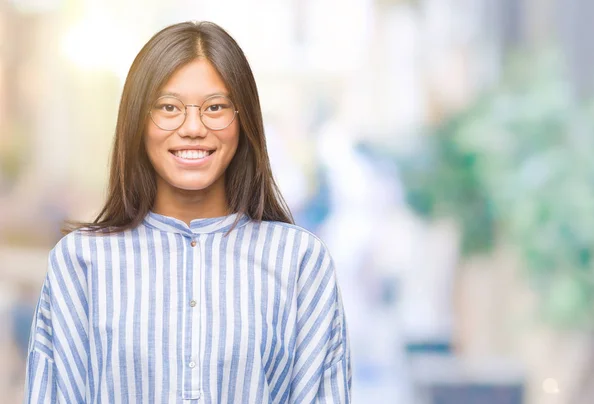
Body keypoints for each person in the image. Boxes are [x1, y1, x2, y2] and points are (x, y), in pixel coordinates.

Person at [23, 21, 351, 403]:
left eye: (215, 107)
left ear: (243, 121)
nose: (193, 127)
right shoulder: (81, 262)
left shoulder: (300, 262)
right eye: (168, 107)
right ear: (136, 121)